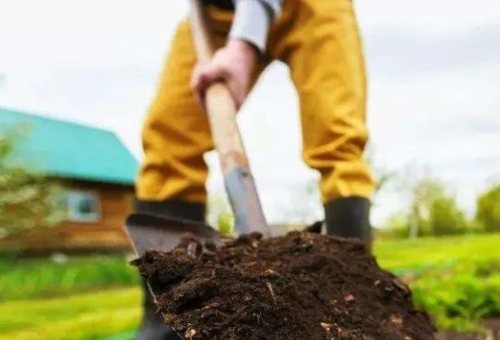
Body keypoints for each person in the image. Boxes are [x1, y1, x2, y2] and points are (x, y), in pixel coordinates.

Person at [134, 0, 375, 339]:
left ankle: (358, 306)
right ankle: (167, 321)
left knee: (337, 138)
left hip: (315, 7)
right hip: (214, 13)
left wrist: (244, 44)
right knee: (168, 143)